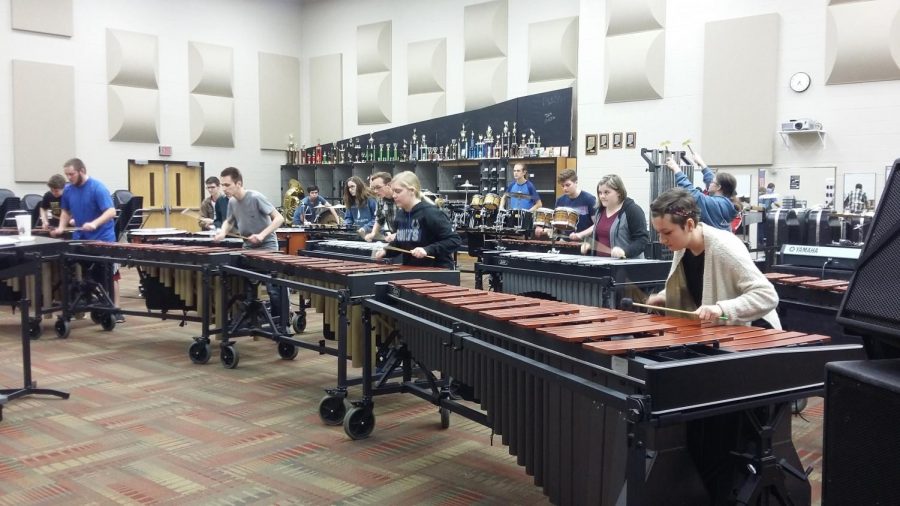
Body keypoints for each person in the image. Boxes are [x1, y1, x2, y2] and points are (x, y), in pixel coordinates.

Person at [646, 188, 781, 328]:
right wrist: (665, 297)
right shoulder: (682, 246)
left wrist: (721, 309)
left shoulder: (724, 247)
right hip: (720, 331)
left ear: (689, 225)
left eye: (667, 232)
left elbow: (767, 296)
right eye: (659, 233)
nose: (662, 240)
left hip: (755, 332)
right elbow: (694, 288)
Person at [51, 158, 124, 322]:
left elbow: (111, 211)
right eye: (67, 174)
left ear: (82, 170)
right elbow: (65, 211)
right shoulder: (69, 190)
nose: (68, 178)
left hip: (102, 240)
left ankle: (115, 308)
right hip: (81, 240)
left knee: (109, 275)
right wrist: (62, 227)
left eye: (71, 174)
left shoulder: (97, 188)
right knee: (74, 269)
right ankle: (83, 301)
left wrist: (94, 223)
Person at [213, 167, 286, 329]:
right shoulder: (232, 202)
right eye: (222, 185)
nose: (224, 189)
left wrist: (261, 235)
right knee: (247, 284)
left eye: (227, 185)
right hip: (248, 247)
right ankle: (250, 319)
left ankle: (280, 322)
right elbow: (229, 220)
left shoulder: (255, 197)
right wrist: (223, 232)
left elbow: (279, 218)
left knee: (273, 288)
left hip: (267, 246)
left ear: (238, 183)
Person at [373, 171, 460, 269]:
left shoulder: (430, 213)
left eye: (398, 191)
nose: (394, 196)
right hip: (411, 269)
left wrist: (427, 250)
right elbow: (400, 242)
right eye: (393, 192)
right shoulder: (400, 215)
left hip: (437, 271)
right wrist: (386, 251)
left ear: (412, 191)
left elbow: (454, 240)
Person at [569, 175, 648, 259]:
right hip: (602, 266)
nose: (602, 196)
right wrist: (589, 244)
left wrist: (625, 251)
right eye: (600, 193)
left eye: (607, 192)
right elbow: (599, 235)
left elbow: (642, 240)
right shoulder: (600, 211)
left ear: (619, 192)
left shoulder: (633, 211)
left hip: (626, 268)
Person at [666, 152, 739, 231]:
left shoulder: (713, 204)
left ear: (718, 187)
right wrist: (701, 163)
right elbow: (711, 179)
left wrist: (676, 169)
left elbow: (691, 191)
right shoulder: (727, 203)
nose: (709, 183)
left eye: (712, 182)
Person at [534, 169, 595, 238]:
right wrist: (546, 230)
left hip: (585, 243)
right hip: (565, 241)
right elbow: (557, 226)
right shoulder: (560, 200)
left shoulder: (589, 199)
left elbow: (597, 225)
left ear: (576, 182)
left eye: (568, 185)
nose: (565, 188)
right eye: (562, 186)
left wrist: (580, 234)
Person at [364, 171, 395, 241]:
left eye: (378, 187)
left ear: (389, 185)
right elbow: (379, 219)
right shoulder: (380, 200)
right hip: (397, 240)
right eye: (373, 188)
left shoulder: (401, 199)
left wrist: (398, 235)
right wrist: (373, 234)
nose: (375, 191)